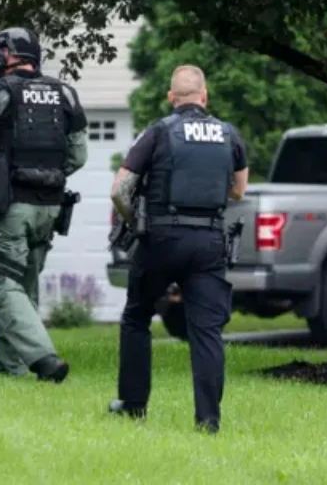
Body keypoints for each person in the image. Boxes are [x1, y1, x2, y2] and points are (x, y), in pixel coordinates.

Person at [107, 64, 248, 433]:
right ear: (205, 97)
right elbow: (238, 190)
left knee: (137, 316)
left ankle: (133, 406)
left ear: (172, 98)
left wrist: (133, 221)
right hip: (209, 242)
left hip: (161, 239)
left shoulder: (157, 132)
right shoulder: (229, 135)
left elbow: (119, 190)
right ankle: (209, 419)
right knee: (207, 330)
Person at [0, 27, 88, 382]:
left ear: (13, 54)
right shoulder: (66, 94)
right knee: (24, 286)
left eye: (1, 49)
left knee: (6, 285)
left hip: (10, 206)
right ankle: (11, 370)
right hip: (50, 207)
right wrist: (47, 174)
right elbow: (78, 156)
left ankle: (44, 360)